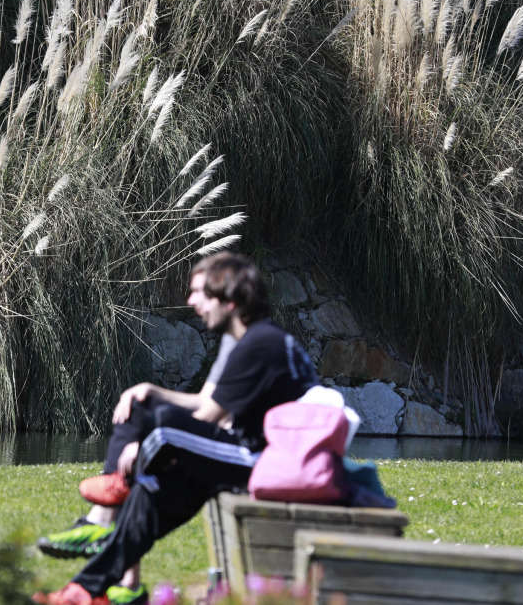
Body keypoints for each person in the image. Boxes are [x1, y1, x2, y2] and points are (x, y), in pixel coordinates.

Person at [33, 252, 319, 605]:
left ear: (229, 302)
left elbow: (208, 417)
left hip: (263, 459)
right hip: (243, 452)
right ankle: (85, 590)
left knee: (164, 428)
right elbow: (208, 407)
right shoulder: (253, 339)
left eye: (202, 294)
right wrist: (151, 406)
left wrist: (143, 451)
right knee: (151, 494)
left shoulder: (261, 343)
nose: (192, 302)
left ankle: (120, 484)